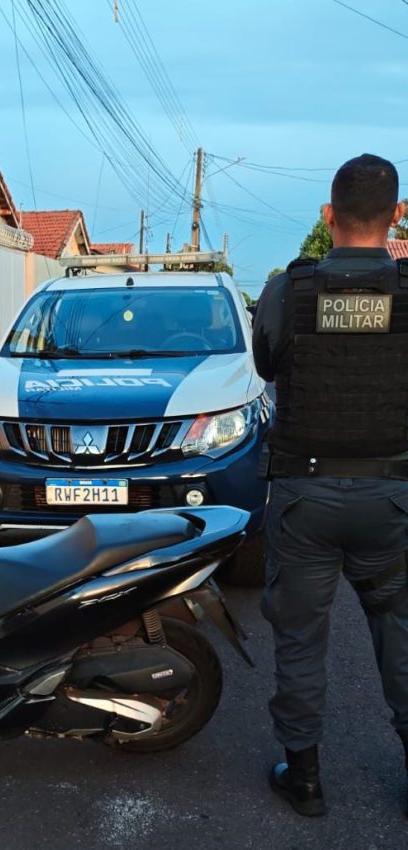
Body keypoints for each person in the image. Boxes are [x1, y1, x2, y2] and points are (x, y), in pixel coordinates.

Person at [253, 153, 408, 818]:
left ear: (328, 216)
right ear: (397, 216)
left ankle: (306, 777)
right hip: (393, 499)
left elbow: (265, 362)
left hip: (305, 496)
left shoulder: (290, 289)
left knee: (298, 637)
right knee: (400, 633)